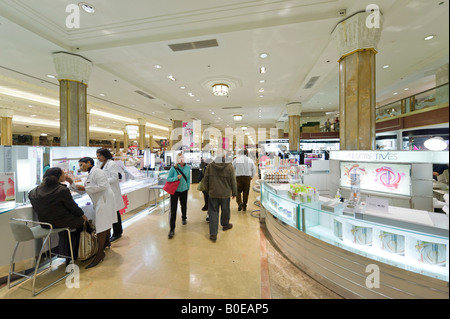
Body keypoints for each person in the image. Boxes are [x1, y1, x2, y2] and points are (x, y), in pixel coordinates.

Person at [28, 167, 88, 263]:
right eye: (63, 174)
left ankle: (63, 252)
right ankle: (73, 255)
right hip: (61, 222)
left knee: (67, 227)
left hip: (44, 223)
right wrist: (82, 215)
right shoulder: (61, 190)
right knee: (80, 223)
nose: (65, 175)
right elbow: (73, 207)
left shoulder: (33, 192)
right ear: (59, 177)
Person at [69, 157, 116, 269]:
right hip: (101, 200)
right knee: (104, 224)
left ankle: (100, 254)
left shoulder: (97, 171)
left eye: (82, 165)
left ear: (89, 163)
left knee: (101, 226)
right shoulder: (91, 173)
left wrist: (85, 188)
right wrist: (73, 184)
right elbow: (86, 188)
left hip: (104, 200)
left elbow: (103, 186)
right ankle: (105, 244)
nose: (81, 167)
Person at [203, 156, 237, 242]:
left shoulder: (210, 166)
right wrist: (234, 192)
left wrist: (208, 190)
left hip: (213, 193)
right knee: (225, 210)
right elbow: (233, 180)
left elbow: (205, 179)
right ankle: (225, 225)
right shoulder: (229, 167)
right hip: (225, 194)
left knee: (213, 212)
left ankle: (213, 233)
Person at [97, 148, 125, 243]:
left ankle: (117, 233)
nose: (98, 157)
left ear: (105, 155)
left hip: (112, 191)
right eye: (97, 155)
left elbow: (114, 178)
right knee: (112, 213)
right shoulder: (102, 164)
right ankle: (115, 232)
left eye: (99, 155)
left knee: (115, 212)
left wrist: (102, 182)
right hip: (106, 191)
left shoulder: (111, 164)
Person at [167, 153, 191, 239]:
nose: (181, 159)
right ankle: (172, 229)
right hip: (174, 191)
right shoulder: (173, 168)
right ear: (177, 159)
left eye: (183, 157)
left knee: (183, 205)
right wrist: (176, 178)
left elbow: (188, 179)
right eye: (179, 158)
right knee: (173, 209)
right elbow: (168, 179)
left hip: (184, 190)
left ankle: (184, 217)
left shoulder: (188, 168)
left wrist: (187, 187)